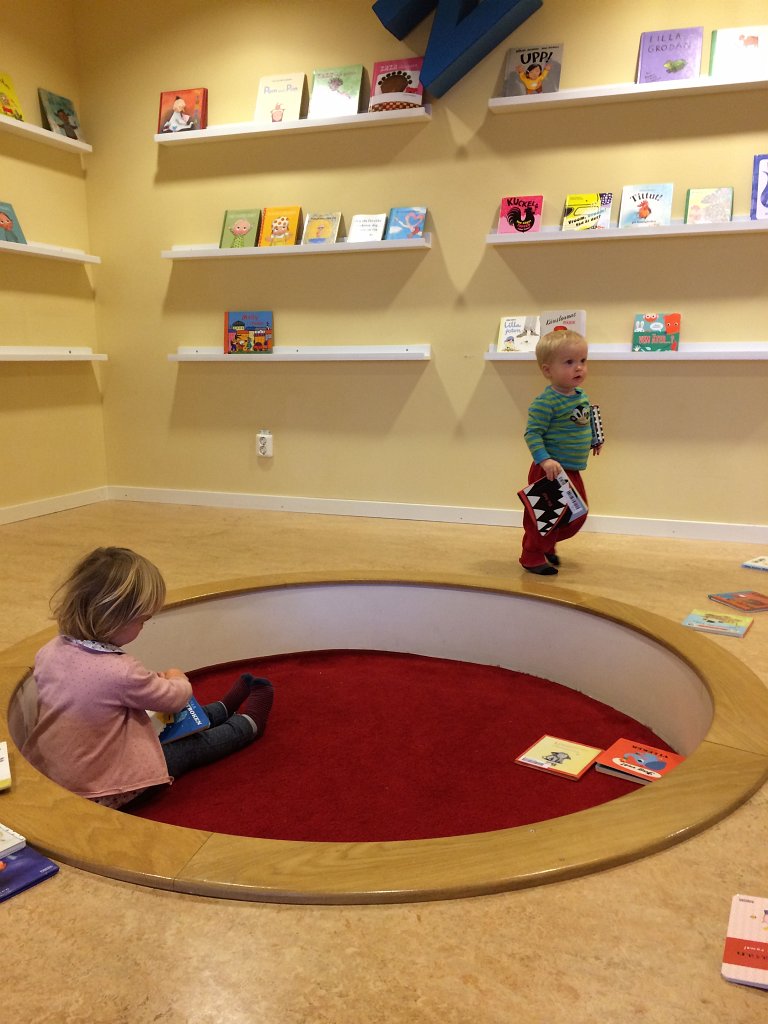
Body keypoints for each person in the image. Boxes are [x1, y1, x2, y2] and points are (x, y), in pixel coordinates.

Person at [21, 547, 274, 809]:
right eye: (142, 621)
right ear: (114, 619)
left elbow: (97, 687)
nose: (143, 627)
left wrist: (149, 681)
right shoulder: (121, 671)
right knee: (188, 747)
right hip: (98, 786)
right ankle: (247, 725)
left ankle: (222, 709)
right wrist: (178, 679)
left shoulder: (51, 649)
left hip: (55, 770)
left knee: (163, 722)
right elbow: (174, 699)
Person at [520, 329, 603, 575]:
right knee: (544, 517)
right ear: (548, 370)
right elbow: (532, 434)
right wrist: (544, 460)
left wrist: (594, 438)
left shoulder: (580, 395)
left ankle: (547, 544)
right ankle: (531, 555)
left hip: (572, 469)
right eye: (569, 362)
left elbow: (583, 420)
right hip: (550, 471)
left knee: (576, 514)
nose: (579, 368)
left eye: (583, 361)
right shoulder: (545, 403)